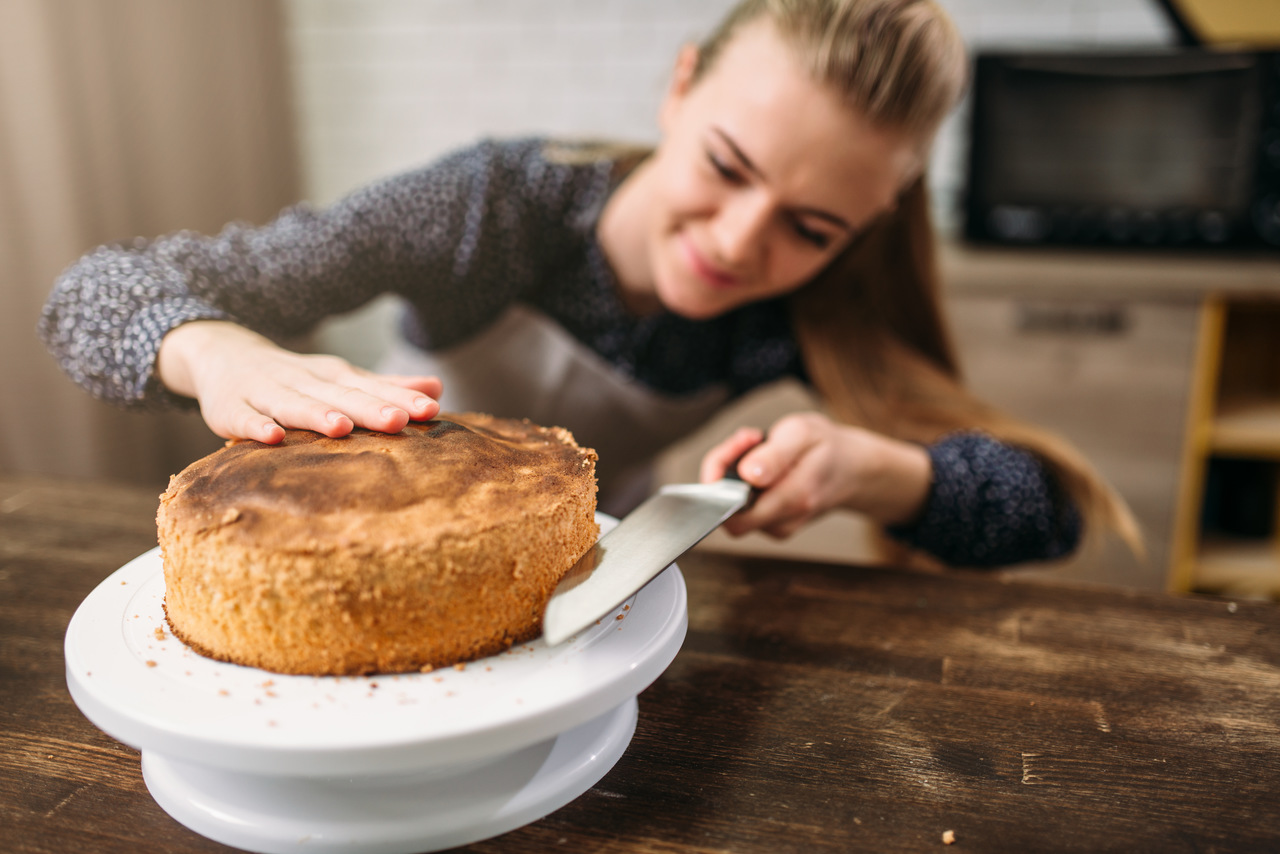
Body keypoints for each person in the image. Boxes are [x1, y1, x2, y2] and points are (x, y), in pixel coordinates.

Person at [39, 0, 1139, 568]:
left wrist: (879, 471)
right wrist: (217, 350)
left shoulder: (816, 303)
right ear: (680, 87)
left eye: (810, 227)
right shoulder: (492, 208)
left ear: (867, 223)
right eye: (726, 166)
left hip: (597, 583)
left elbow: (1047, 512)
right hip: (375, 545)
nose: (738, 244)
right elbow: (92, 291)